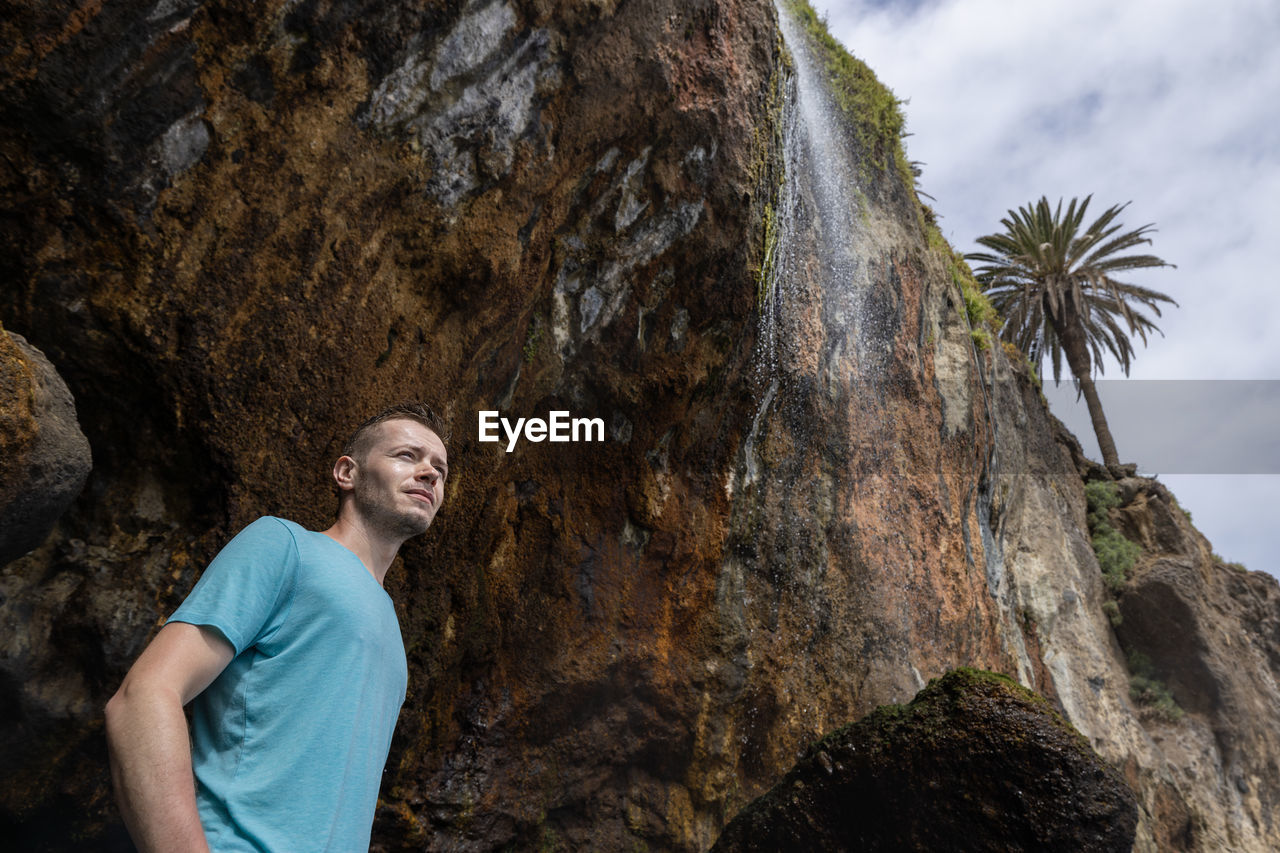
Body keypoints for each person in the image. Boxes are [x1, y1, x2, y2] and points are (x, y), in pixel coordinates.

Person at [105, 402, 449, 852]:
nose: (429, 473)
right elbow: (143, 697)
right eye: (407, 455)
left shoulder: (388, 622)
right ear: (347, 473)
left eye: (440, 468)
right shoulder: (285, 546)